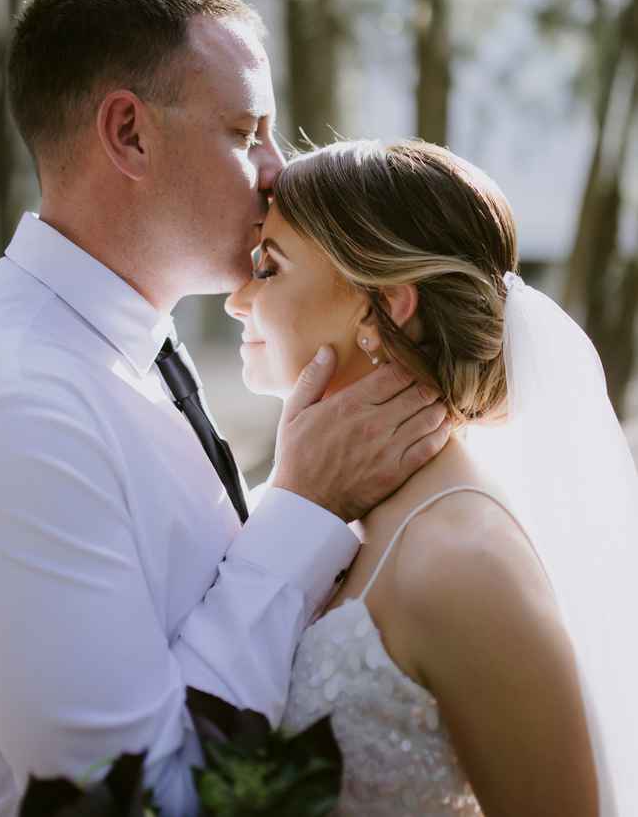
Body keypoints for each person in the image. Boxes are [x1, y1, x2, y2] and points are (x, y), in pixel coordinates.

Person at [0, 0, 452, 817]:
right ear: (128, 133)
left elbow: (174, 586)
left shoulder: (126, 343)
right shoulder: (10, 416)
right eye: (248, 130)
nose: (278, 170)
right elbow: (146, 801)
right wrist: (304, 503)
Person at [226, 138, 638, 816]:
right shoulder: (325, 503)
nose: (238, 299)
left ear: (382, 304)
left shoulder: (465, 559)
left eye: (268, 268)